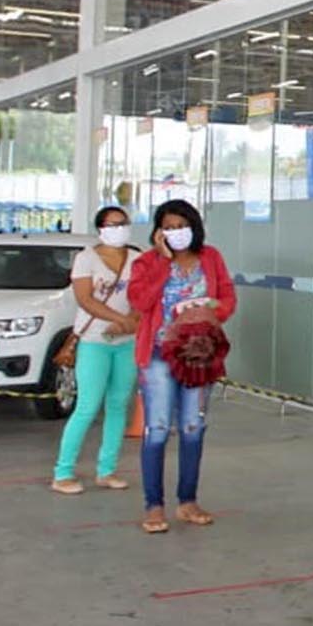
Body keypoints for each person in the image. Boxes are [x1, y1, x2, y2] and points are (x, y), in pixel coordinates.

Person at [126, 200, 236, 535]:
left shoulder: (211, 257)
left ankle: (187, 500)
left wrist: (212, 312)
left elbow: (228, 297)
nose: (176, 232)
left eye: (181, 225)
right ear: (159, 232)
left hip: (199, 355)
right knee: (157, 429)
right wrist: (163, 262)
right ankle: (154, 505)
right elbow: (140, 302)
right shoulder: (146, 262)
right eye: (169, 227)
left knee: (193, 426)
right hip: (159, 354)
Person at [52, 207, 139, 495]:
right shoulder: (86, 258)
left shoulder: (136, 259)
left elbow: (143, 297)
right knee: (87, 406)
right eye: (113, 224)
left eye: (123, 223)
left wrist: (130, 323)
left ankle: (107, 469)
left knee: (117, 405)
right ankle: (63, 472)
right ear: (100, 228)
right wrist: (119, 320)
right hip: (93, 341)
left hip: (126, 342)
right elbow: (85, 299)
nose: (119, 228)